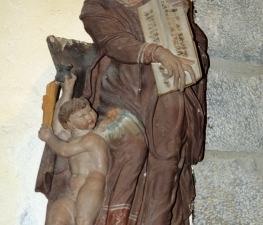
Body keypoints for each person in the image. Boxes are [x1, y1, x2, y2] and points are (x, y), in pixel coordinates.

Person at [79, 0, 209, 224]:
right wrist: (156, 52)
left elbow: (195, 47)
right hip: (122, 91)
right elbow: (112, 41)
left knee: (167, 153)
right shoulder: (99, 4)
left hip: (166, 91)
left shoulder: (163, 2)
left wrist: (182, 17)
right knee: (130, 144)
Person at [38, 74, 108, 225]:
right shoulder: (72, 137)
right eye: (82, 116)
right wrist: (67, 91)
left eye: (90, 111)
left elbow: (64, 150)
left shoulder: (92, 139)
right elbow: (58, 127)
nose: (90, 116)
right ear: (69, 124)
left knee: (82, 221)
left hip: (92, 184)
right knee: (55, 219)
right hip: (72, 192)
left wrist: (48, 138)